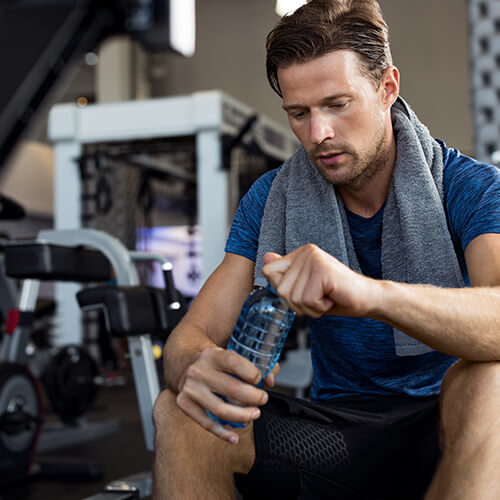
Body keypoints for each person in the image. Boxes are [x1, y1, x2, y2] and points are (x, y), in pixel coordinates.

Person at [152, 0, 500, 498]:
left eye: (337, 104)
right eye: (299, 113)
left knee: (494, 383)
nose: (319, 135)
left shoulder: (470, 187)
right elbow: (193, 334)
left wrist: (370, 295)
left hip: (448, 427)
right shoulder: (273, 197)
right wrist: (195, 366)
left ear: (387, 88)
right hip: (337, 432)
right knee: (179, 411)